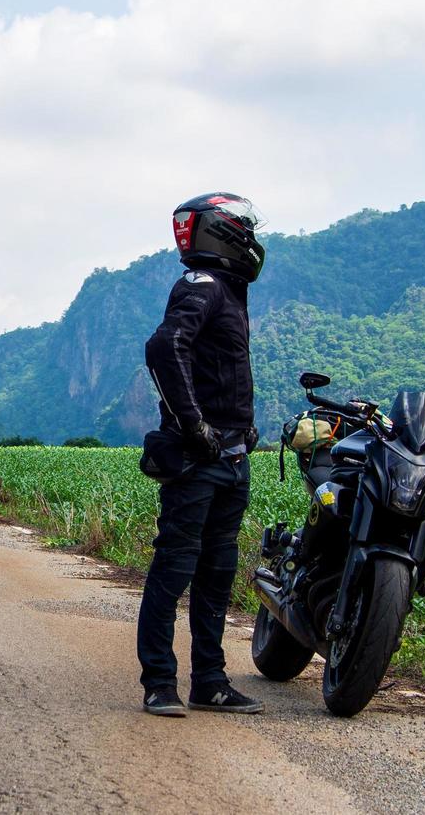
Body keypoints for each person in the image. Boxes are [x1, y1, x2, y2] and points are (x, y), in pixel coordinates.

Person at [137, 192, 266, 718]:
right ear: (224, 231)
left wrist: (242, 428)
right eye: (245, 227)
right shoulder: (204, 284)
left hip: (232, 458)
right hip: (198, 461)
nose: (253, 238)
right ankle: (159, 683)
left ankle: (210, 682)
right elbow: (165, 347)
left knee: (216, 575)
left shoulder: (228, 291)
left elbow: (220, 368)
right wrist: (194, 425)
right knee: (174, 570)